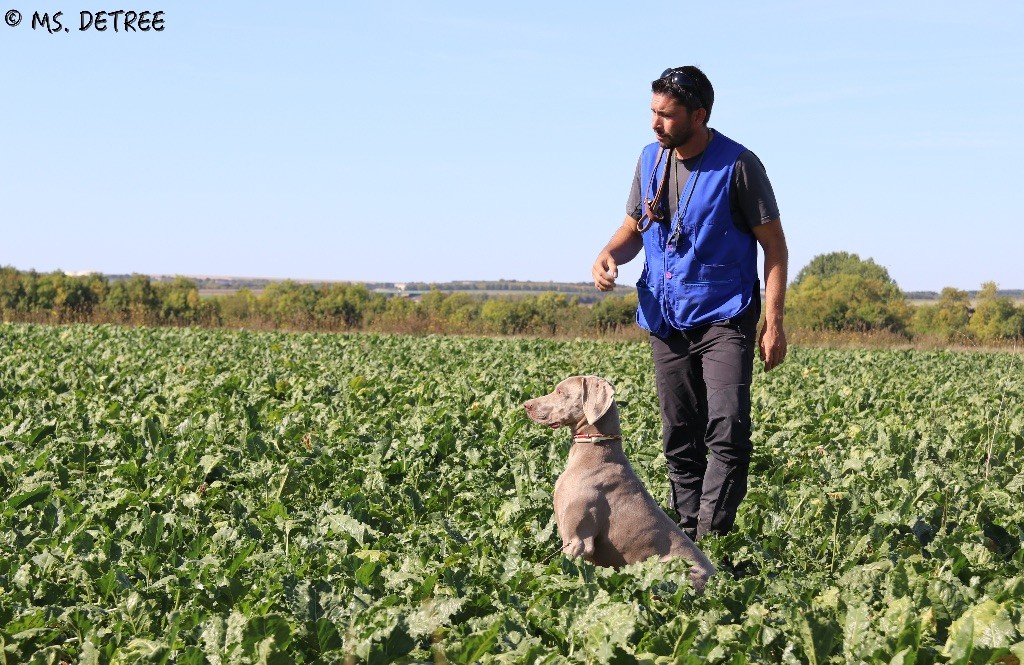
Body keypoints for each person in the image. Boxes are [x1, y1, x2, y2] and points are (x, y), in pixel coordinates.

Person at [591, 65, 788, 542]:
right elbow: (634, 227)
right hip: (665, 315)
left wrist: (773, 323)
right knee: (680, 436)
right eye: (653, 112)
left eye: (667, 115)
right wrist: (609, 253)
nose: (655, 124)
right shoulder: (649, 159)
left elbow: (776, 248)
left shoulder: (739, 165)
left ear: (698, 115)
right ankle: (685, 538)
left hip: (725, 315)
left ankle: (710, 538)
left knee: (728, 430)